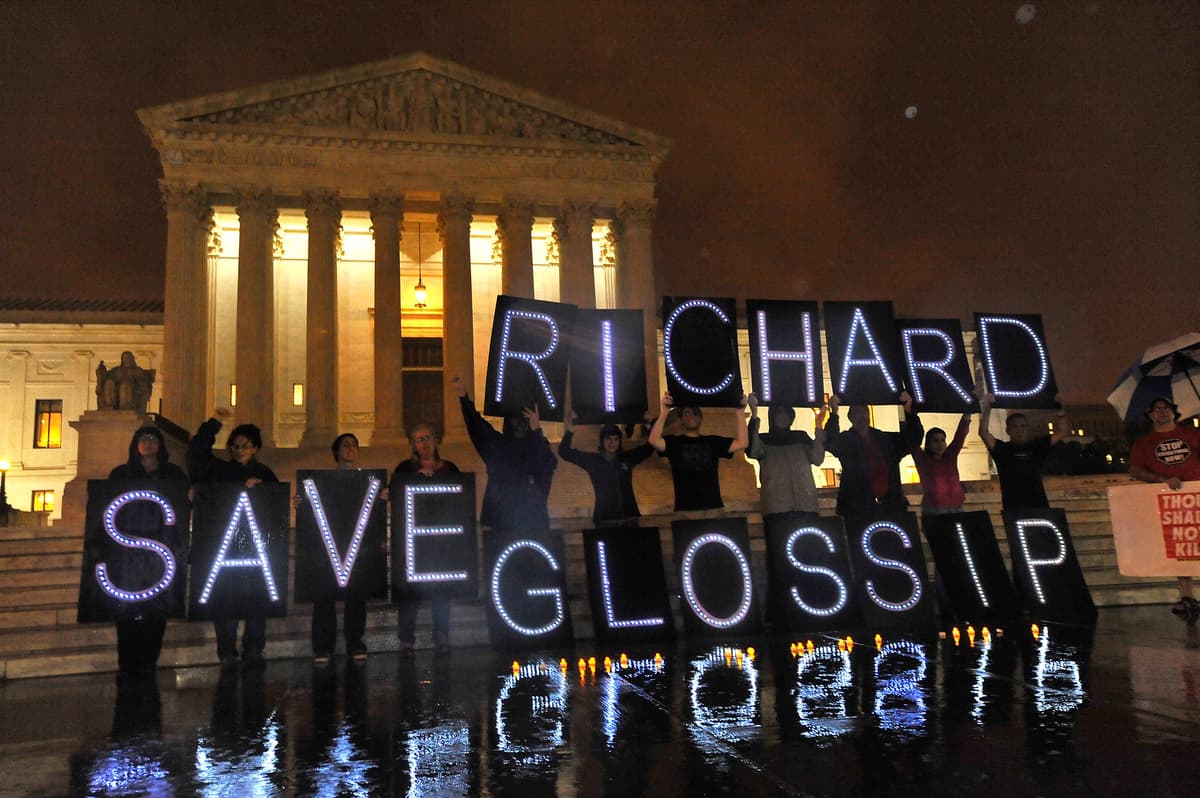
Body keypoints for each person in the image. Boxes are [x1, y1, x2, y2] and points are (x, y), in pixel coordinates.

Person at [188, 407, 279, 671]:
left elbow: (276, 507)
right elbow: (196, 452)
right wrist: (215, 422)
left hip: (255, 549)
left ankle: (254, 650)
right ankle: (227, 652)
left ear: (256, 448)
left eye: (245, 446)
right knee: (225, 601)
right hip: (224, 548)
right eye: (236, 446)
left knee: (256, 602)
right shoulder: (220, 470)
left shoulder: (265, 475)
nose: (239, 450)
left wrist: (264, 491)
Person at [107, 425, 187, 676]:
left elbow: (183, 506)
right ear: (135, 444)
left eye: (153, 438)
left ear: (160, 444)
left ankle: (149, 660)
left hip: (160, 550)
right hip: (128, 552)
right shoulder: (120, 474)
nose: (148, 442)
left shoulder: (173, 474)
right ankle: (127, 661)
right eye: (143, 438)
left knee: (157, 608)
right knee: (126, 610)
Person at [1127, 396, 1200, 622]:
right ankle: (1187, 595)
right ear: (1150, 416)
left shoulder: (1193, 435)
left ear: (1174, 412)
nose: (1161, 412)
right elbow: (1135, 470)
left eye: (1166, 408)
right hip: (1172, 502)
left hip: (1197, 495)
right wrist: (1163, 480)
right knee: (1180, 546)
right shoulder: (1144, 442)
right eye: (1156, 409)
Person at [454, 375, 557, 530]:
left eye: (524, 419)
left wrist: (536, 429)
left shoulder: (536, 445)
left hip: (530, 520)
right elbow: (476, 425)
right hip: (501, 520)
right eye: (516, 419)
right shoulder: (497, 445)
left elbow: (548, 465)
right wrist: (464, 397)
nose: (520, 423)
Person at [393, 422, 460, 653]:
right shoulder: (404, 469)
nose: (424, 443)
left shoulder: (450, 468)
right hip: (414, 541)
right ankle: (406, 638)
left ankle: (442, 634)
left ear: (436, 440)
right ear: (412, 445)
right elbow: (395, 493)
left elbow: (460, 496)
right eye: (419, 439)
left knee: (441, 590)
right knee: (409, 592)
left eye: (428, 437)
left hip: (441, 539)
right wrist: (415, 479)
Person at [308, 433, 370, 666]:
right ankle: (323, 646)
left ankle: (355, 642)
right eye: (345, 444)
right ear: (336, 451)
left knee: (356, 597)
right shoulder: (324, 481)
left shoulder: (366, 481)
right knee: (325, 596)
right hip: (330, 543)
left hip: (355, 543)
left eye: (354, 444)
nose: (350, 448)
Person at [824, 391, 923, 523]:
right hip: (858, 509)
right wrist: (834, 414)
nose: (862, 416)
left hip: (889, 505)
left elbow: (913, 439)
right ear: (850, 417)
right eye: (858, 413)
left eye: (865, 412)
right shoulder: (846, 441)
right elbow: (830, 443)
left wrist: (909, 410)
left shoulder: (885, 439)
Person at [647, 392, 749, 512]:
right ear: (681, 419)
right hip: (685, 509)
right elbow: (653, 440)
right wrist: (664, 411)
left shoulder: (713, 441)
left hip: (713, 507)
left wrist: (740, 411)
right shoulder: (675, 442)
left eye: (694, 413)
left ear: (700, 418)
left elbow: (742, 443)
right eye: (686, 413)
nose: (691, 416)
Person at [559, 412, 654, 526]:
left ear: (619, 441)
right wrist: (570, 430)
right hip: (605, 520)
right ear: (602, 440)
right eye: (608, 439)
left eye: (616, 439)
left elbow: (650, 447)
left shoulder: (627, 458)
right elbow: (564, 452)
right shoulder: (593, 461)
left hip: (630, 518)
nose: (612, 443)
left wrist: (648, 426)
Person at [978, 393, 1069, 511]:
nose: (1019, 430)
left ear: (1028, 428)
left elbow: (1063, 431)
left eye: (1023, 426)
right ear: (1007, 430)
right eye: (1015, 427)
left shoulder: (1037, 446)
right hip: (1013, 507)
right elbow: (983, 432)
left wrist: (1060, 410)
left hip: (1038, 505)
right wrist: (988, 407)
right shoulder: (1002, 449)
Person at [745, 393, 826, 518]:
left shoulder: (801, 437)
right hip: (776, 508)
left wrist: (819, 425)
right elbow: (752, 450)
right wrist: (754, 414)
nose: (783, 416)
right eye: (779, 413)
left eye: (787, 413)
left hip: (806, 505)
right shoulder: (764, 440)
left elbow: (817, 458)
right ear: (772, 416)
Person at [910, 413, 972, 516]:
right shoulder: (923, 460)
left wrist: (967, 413)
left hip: (956, 507)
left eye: (943, 440)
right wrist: (911, 415)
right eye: (935, 440)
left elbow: (960, 437)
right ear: (928, 444)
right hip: (934, 509)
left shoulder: (950, 456)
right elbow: (912, 443)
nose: (940, 444)